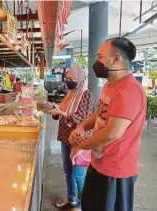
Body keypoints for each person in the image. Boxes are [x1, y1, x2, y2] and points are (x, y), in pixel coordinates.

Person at [69, 37, 146, 211]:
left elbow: (113, 133)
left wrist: (81, 146)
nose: (97, 62)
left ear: (116, 59)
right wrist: (82, 127)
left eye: (100, 56)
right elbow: (99, 113)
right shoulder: (110, 85)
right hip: (99, 163)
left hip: (117, 170)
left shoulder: (129, 90)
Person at [47, 66, 94, 210]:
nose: (68, 80)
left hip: (77, 140)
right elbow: (61, 112)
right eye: (67, 77)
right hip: (64, 137)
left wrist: (62, 114)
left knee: (78, 174)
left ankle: (83, 204)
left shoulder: (86, 95)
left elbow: (81, 117)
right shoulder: (69, 93)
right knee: (68, 171)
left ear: (80, 79)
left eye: (71, 78)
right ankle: (71, 199)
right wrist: (53, 111)